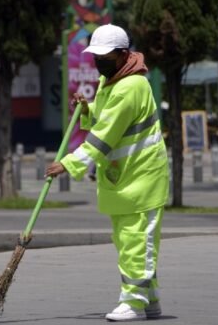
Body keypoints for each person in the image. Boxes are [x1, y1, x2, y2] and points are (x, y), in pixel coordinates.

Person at [46, 24, 168, 322]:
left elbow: (104, 136)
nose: (97, 61)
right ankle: (148, 300)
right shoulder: (111, 81)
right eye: (95, 55)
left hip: (142, 179)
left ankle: (134, 302)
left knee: (135, 242)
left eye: (104, 56)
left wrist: (69, 163)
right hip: (123, 179)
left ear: (123, 54)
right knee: (128, 241)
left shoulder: (131, 86)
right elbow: (103, 121)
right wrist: (86, 110)